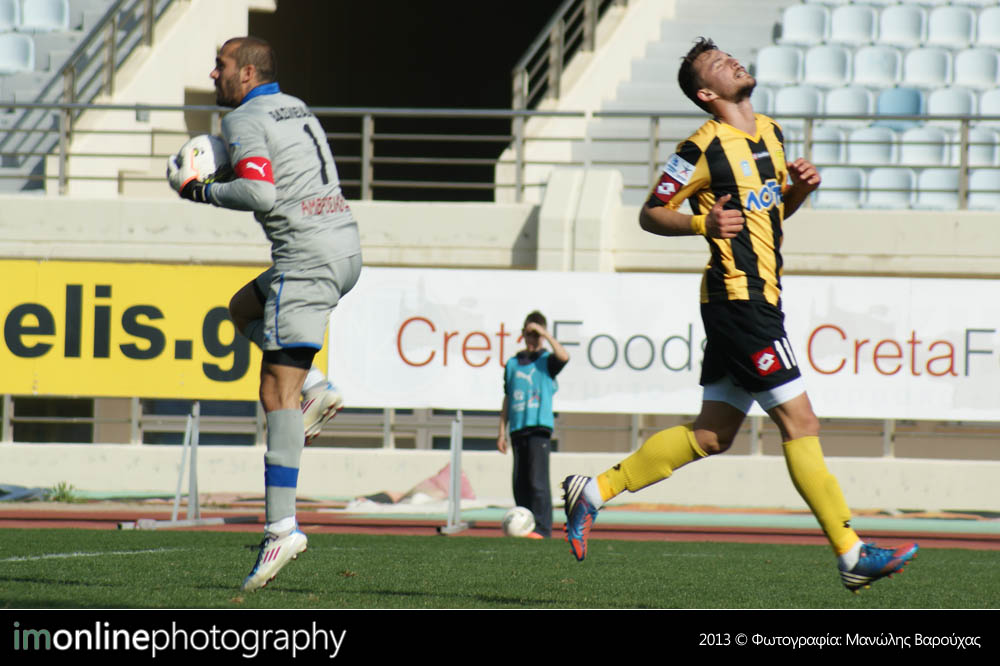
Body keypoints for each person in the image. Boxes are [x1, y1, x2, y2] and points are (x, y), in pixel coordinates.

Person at [561, 38, 918, 593]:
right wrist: (701, 224)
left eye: (728, 56)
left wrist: (798, 192)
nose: (731, 62)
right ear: (707, 94)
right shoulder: (699, 147)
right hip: (738, 301)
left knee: (712, 435)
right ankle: (851, 552)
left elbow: (770, 216)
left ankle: (594, 490)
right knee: (801, 423)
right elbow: (650, 213)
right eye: (716, 64)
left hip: (760, 298)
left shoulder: (772, 132)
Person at [167, 36, 361, 591]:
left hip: (305, 260)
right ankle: (317, 387)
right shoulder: (294, 106)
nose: (214, 74)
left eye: (222, 65)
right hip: (344, 249)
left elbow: (259, 193)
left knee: (276, 393)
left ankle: (281, 529)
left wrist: (202, 190)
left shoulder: (244, 118)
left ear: (248, 73)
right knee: (241, 308)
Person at [498, 311, 570, 539]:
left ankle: (542, 528)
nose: (532, 339)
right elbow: (508, 397)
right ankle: (524, 525)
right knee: (520, 483)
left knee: (538, 482)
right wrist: (501, 432)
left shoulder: (546, 361)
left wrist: (545, 334)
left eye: (535, 334)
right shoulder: (513, 364)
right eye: (529, 334)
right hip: (518, 428)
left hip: (539, 428)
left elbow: (564, 356)